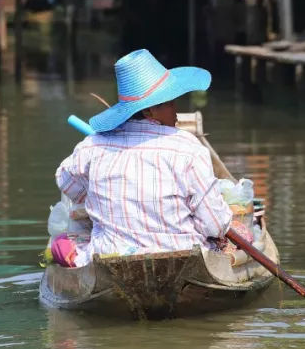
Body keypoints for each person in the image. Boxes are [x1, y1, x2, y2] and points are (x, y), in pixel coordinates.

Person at [53, 49, 233, 267]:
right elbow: (214, 225)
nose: (176, 112)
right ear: (149, 112)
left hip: (110, 257)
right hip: (182, 255)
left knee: (60, 244)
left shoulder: (92, 146)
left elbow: (66, 183)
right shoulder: (189, 149)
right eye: (170, 104)